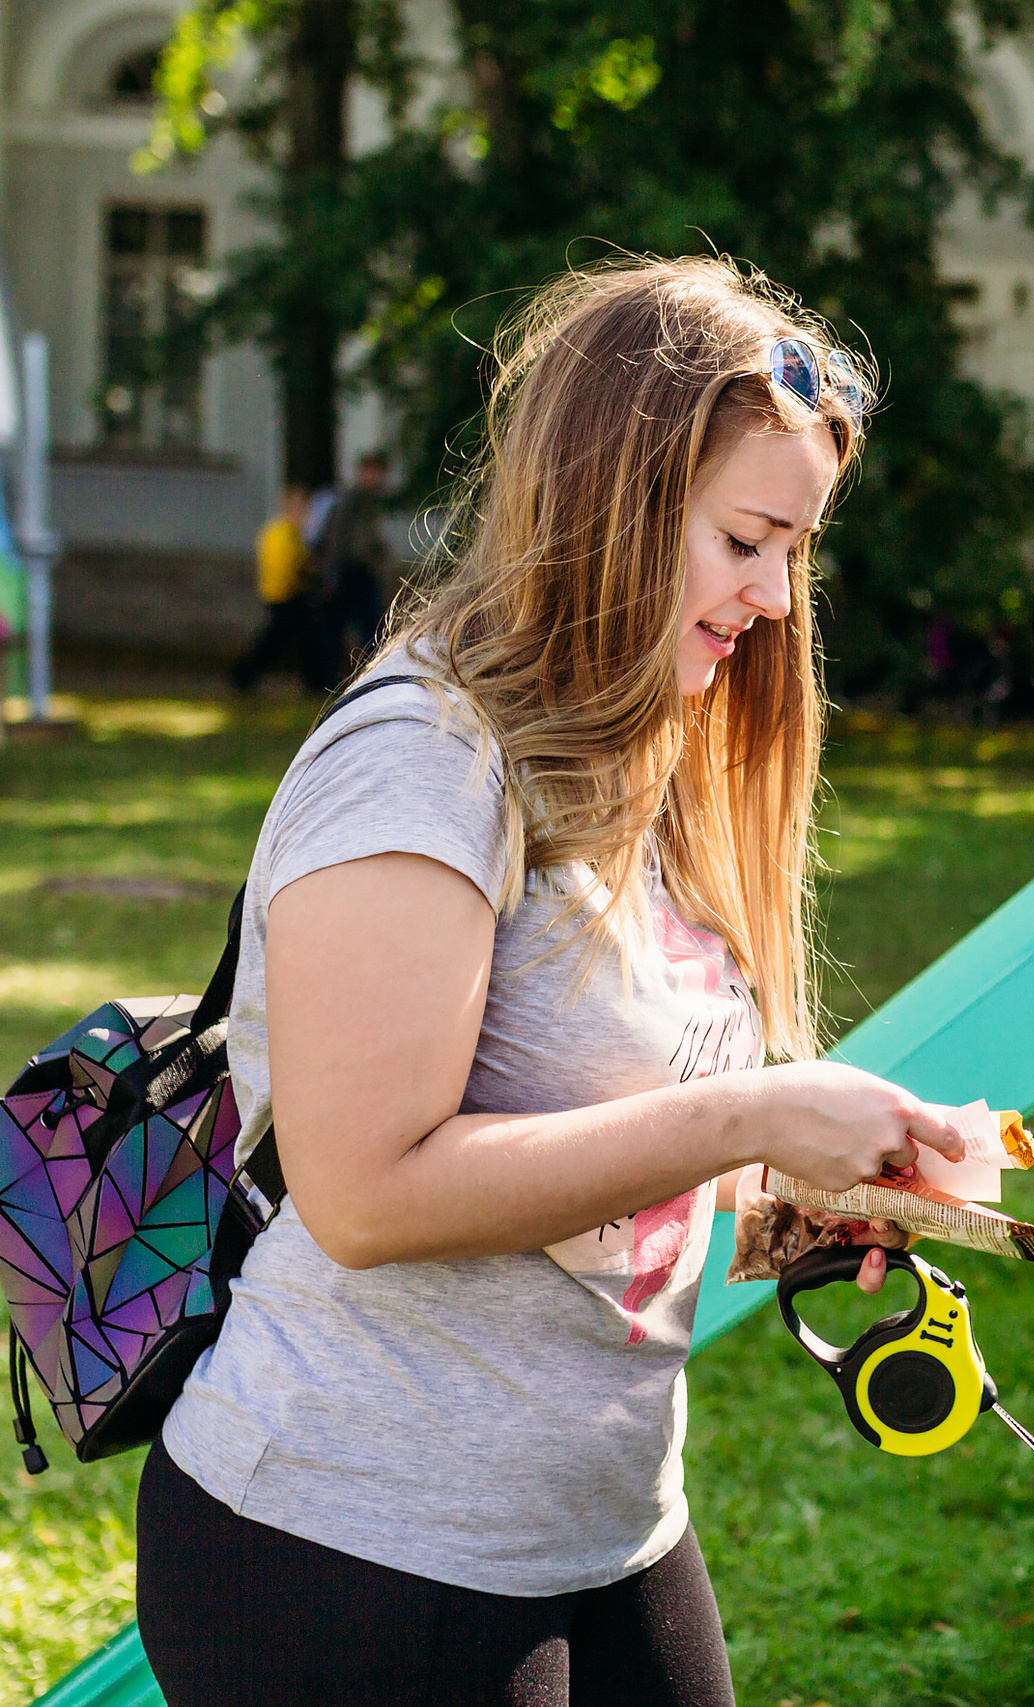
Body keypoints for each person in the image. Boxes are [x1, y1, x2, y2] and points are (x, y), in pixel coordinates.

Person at [138, 256, 962, 1704]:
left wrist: (822, 1201)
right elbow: (368, 1190)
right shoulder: (419, 761)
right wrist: (752, 1113)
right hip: (346, 1543)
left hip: (607, 1524)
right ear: (616, 503)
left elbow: (628, 1132)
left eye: (795, 550)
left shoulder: (659, 744)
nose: (776, 597)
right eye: (746, 540)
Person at [228, 485, 327, 695]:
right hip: (285, 596)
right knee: (281, 642)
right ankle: (243, 677)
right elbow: (289, 565)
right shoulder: (283, 533)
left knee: (285, 642)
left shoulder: (283, 532)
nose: (306, 516)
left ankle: (244, 677)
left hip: (284, 595)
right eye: (303, 510)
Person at [314, 450, 394, 683]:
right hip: (348, 572)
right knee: (342, 629)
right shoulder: (351, 500)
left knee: (370, 627)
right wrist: (331, 577)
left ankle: (367, 675)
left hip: (360, 571)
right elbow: (336, 540)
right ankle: (329, 679)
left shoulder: (369, 502)